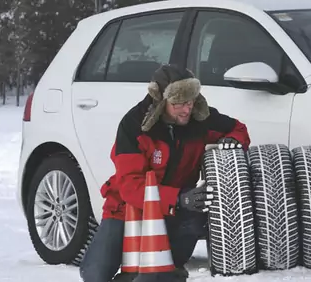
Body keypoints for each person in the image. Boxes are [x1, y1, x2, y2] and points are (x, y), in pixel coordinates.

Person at [79, 64, 250, 282]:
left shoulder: (201, 119)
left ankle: (169, 270)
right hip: (126, 209)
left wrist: (232, 141)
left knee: (162, 273)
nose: (186, 110)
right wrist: (177, 198)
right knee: (95, 275)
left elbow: (239, 129)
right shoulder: (133, 126)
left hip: (178, 211)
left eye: (190, 101)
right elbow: (130, 186)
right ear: (161, 101)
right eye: (178, 103)